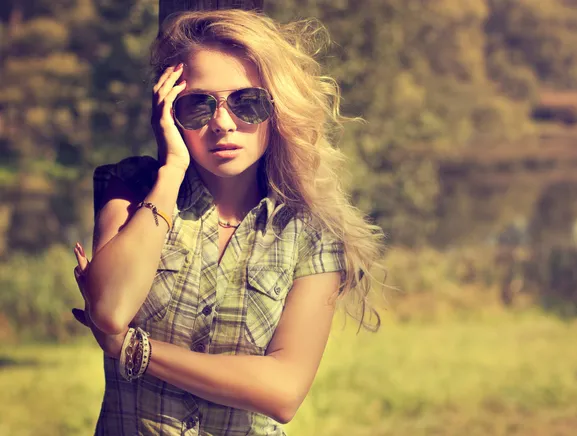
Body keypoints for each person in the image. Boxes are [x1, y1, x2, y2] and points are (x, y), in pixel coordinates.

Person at [71, 9, 383, 435]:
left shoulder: (310, 232)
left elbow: (284, 392)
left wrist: (136, 350)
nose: (222, 123)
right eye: (198, 105)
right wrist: (172, 170)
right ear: (170, 112)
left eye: (247, 102)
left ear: (277, 109)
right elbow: (109, 310)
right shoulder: (130, 188)